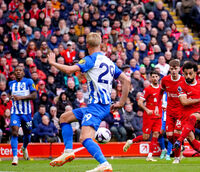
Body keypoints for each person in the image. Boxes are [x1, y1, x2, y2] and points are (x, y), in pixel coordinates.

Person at [48, 32, 130, 172]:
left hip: (97, 106)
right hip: (100, 105)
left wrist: (52, 62)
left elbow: (69, 70)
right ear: (100, 45)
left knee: (85, 137)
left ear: (87, 45)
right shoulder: (109, 61)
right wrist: (121, 102)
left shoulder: (90, 59)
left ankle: (104, 163)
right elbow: (126, 80)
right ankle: (68, 151)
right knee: (64, 118)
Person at [123, 71, 162, 162]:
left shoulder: (161, 89)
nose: (155, 78)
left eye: (156, 76)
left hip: (158, 116)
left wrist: (163, 107)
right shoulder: (147, 89)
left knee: (156, 134)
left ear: (159, 78)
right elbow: (139, 102)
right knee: (145, 137)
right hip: (149, 116)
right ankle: (131, 141)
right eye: (153, 76)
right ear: (150, 78)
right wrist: (147, 109)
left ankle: (150, 156)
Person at [9, 66, 37, 165]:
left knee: (27, 134)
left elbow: (34, 95)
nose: (18, 72)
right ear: (14, 73)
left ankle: (24, 147)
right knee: (15, 132)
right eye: (16, 70)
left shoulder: (29, 81)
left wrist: (21, 97)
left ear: (23, 73)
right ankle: (15, 157)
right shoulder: (11, 84)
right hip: (15, 112)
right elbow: (9, 95)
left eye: (20, 70)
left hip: (27, 113)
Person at [160, 59, 185, 163]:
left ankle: (176, 157)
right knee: (169, 135)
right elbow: (160, 92)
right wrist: (159, 104)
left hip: (180, 112)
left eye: (175, 69)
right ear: (169, 69)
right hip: (169, 112)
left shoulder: (183, 80)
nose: (173, 71)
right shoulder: (165, 80)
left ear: (179, 69)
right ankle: (180, 146)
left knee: (176, 134)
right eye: (171, 69)